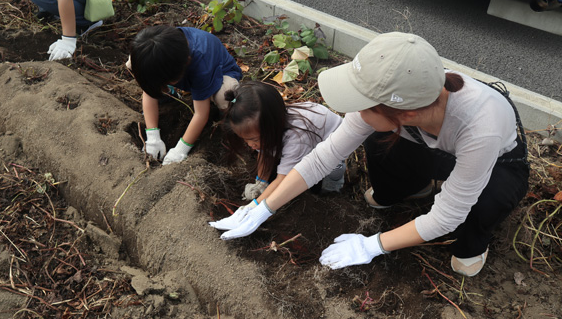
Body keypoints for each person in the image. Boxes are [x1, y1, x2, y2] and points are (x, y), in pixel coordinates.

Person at [211, 32, 529, 277]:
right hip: (432, 141)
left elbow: (446, 216)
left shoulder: (480, 126)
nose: (352, 110)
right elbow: (324, 156)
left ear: (403, 114)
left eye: (362, 104)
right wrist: (264, 207)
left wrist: (371, 245)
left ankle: (476, 242)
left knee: (481, 207)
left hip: (498, 161)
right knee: (376, 140)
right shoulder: (403, 87)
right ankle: (413, 188)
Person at [208, 81, 344, 231]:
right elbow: (264, 153)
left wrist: (253, 206)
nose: (249, 144)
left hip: (336, 142)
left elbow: (283, 180)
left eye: (253, 140)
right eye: (245, 139)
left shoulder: (296, 138)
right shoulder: (264, 128)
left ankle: (333, 187)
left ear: (273, 127)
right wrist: (260, 182)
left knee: (329, 176)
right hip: (305, 137)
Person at [127, 25, 243, 165]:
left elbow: (201, 114)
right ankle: (169, 96)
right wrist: (152, 137)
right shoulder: (157, 47)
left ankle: (225, 123)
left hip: (221, 74)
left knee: (224, 97)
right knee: (134, 63)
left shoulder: (202, 65)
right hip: (179, 70)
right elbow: (148, 89)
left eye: (165, 82)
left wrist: (180, 150)